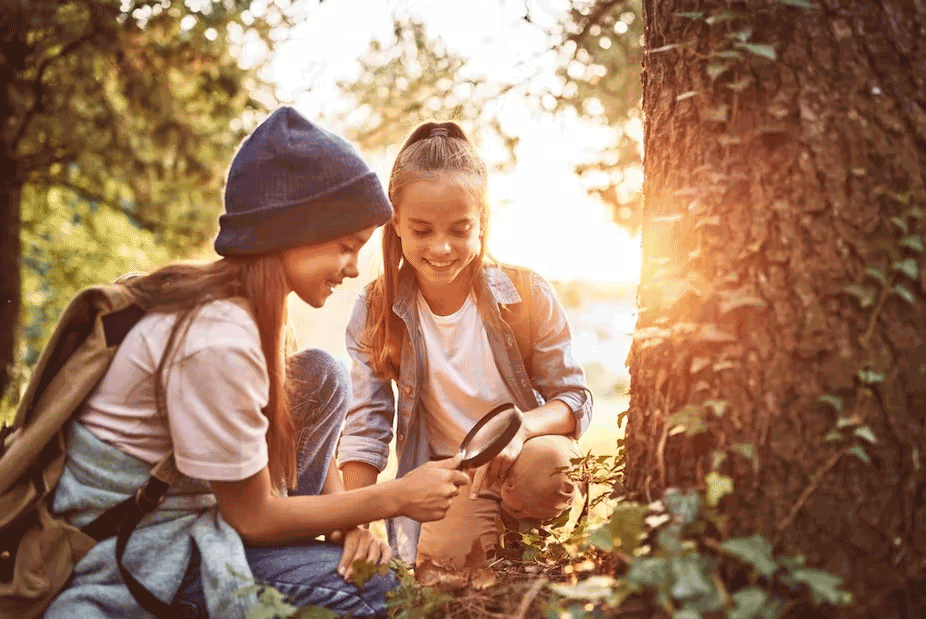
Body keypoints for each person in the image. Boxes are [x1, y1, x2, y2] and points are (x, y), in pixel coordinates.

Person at [44, 107, 469, 619]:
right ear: (290, 232)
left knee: (321, 374)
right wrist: (394, 497)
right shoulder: (217, 339)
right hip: (142, 550)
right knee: (377, 589)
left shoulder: (250, 310)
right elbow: (251, 518)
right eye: (345, 247)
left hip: (198, 510)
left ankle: (305, 554)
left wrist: (349, 523)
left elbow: (279, 447)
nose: (354, 269)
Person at [337, 121, 593, 570]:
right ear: (396, 223)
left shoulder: (527, 294)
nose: (441, 248)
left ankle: (529, 543)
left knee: (546, 471)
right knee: (454, 579)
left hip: (526, 458)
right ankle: (491, 551)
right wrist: (354, 523)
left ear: (482, 224)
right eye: (422, 230)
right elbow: (366, 427)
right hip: (451, 474)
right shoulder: (375, 309)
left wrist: (521, 429)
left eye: (459, 230)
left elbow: (573, 398)